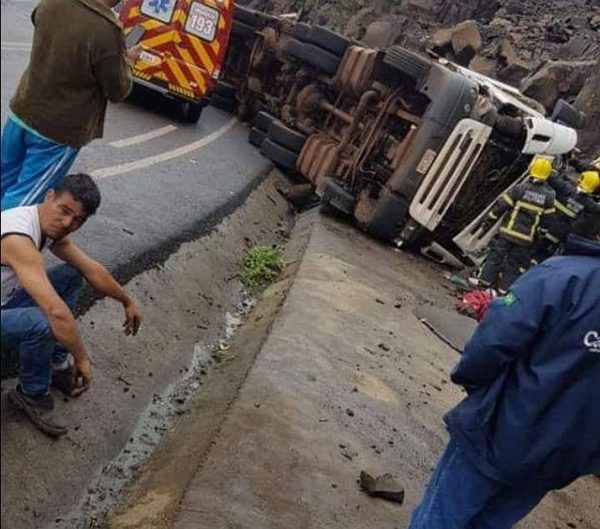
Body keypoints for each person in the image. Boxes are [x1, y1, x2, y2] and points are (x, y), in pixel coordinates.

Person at [407, 232, 600, 529]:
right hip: (559, 460)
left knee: (441, 518)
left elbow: (493, 343)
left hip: (498, 434)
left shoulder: (561, 275)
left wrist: (471, 382)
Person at [1, 174, 143, 437]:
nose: (68, 223)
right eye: (64, 211)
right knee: (43, 320)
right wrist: (82, 358)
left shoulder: (44, 225)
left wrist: (127, 300)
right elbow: (56, 312)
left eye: (78, 220)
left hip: (6, 301)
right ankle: (31, 393)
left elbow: (92, 270)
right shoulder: (18, 236)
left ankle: (54, 367)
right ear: (49, 197)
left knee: (70, 274)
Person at [0, 0, 141, 211]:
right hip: (57, 131)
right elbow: (117, 90)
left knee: (3, 179)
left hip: (22, 110)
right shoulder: (106, 29)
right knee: (23, 201)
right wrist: (127, 61)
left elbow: (37, 18)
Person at [478, 157, 555, 292]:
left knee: (495, 257)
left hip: (508, 232)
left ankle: (483, 283)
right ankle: (503, 290)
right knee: (513, 265)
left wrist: (488, 221)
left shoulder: (520, 189)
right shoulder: (549, 196)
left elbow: (501, 206)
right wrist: (539, 235)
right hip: (525, 239)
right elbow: (547, 221)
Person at [531, 169, 600, 265]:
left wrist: (548, 168)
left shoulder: (567, 189)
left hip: (543, 226)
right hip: (559, 235)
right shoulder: (590, 205)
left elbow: (553, 179)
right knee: (542, 257)